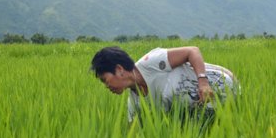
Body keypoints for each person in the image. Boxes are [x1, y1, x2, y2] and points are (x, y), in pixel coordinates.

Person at [91, 46, 239, 123]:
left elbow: (192, 51)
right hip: (209, 117)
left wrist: (203, 83)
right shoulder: (135, 104)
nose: (106, 85)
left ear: (119, 69)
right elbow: (134, 137)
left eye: (105, 79)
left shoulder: (151, 62)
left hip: (224, 86)